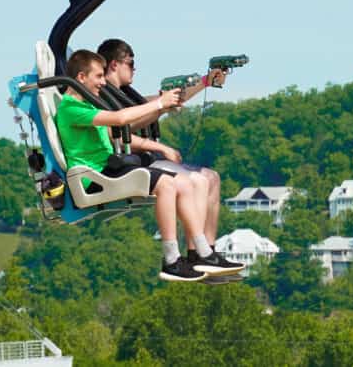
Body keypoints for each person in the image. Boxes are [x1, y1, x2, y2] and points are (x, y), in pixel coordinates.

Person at [55, 49, 241, 281]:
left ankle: (202, 252)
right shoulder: (72, 108)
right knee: (167, 185)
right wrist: (160, 104)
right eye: (98, 76)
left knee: (181, 185)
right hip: (97, 176)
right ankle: (172, 260)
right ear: (81, 78)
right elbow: (121, 119)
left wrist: (162, 111)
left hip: (110, 167)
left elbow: (116, 130)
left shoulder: (88, 107)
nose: (102, 82)